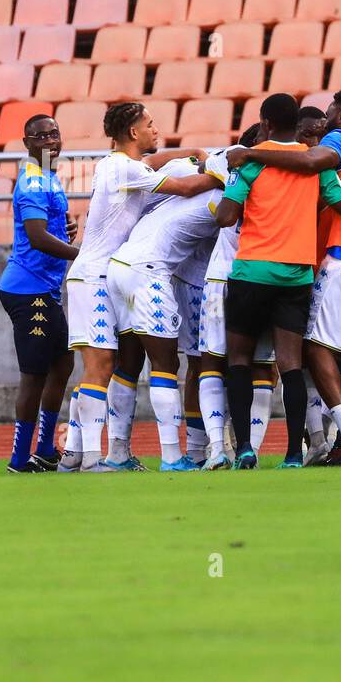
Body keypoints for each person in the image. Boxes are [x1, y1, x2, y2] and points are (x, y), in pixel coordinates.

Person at [220, 94, 341, 469]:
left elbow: (225, 216)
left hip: (252, 271)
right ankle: (293, 454)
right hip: (299, 274)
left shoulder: (251, 161)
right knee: (293, 363)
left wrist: (237, 176)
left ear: (266, 123)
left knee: (240, 358)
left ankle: (245, 450)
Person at [60, 103, 220, 472]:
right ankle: (89, 457)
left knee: (114, 366)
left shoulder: (115, 164)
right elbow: (186, 185)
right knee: (99, 367)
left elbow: (159, 160)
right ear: (133, 133)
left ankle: (93, 454)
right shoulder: (125, 169)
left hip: (106, 272)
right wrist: (227, 175)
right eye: (150, 125)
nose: (155, 129)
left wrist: (193, 152)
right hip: (95, 275)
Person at [106, 171, 225, 471]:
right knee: (166, 365)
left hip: (119, 268)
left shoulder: (182, 187)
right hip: (148, 272)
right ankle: (172, 456)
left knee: (129, 363)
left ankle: (117, 452)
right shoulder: (222, 200)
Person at [0, 114, 77, 473]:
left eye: (54, 133)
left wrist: (67, 226)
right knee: (34, 374)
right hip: (28, 290)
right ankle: (19, 459)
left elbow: (50, 226)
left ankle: (45, 448)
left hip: (44, 289)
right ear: (27, 141)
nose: (50, 140)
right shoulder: (33, 180)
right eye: (41, 135)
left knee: (62, 364)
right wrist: (81, 255)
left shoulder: (48, 176)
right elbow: (36, 236)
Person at [197, 126, 279, 470]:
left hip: (222, 278)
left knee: (213, 362)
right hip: (264, 278)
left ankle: (217, 449)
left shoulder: (232, 162)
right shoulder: (287, 173)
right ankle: (251, 451)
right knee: (262, 367)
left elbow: (203, 161)